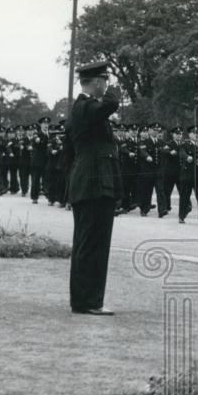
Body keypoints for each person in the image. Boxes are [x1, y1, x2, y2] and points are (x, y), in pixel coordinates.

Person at [65, 60, 121, 316]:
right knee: (91, 245)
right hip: (92, 183)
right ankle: (88, 301)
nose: (107, 86)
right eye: (105, 81)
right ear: (97, 81)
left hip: (93, 183)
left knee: (92, 244)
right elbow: (110, 104)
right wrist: (115, 88)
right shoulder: (85, 106)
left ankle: (86, 300)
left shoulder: (86, 108)